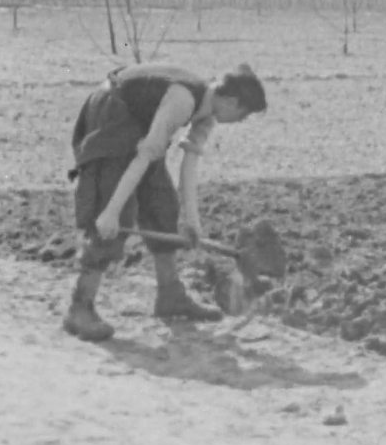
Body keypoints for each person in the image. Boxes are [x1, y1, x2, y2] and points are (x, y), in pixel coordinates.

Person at [64, 62, 267, 341]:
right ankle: (80, 307)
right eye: (243, 115)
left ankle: (169, 294)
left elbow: (189, 166)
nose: (241, 121)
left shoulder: (208, 112)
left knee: (162, 202)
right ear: (231, 102)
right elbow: (143, 157)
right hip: (112, 111)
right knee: (115, 211)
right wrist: (110, 212)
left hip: (140, 120)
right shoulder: (182, 101)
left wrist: (192, 223)